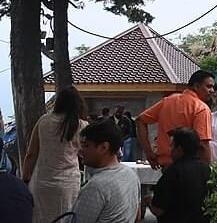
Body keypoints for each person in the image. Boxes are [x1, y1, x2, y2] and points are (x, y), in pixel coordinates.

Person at [21, 86, 89, 223]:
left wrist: (25, 179)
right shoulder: (82, 125)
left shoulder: (44, 121)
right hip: (68, 184)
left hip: (41, 182)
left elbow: (31, 154)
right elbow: (85, 154)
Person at [137, 69, 214, 168]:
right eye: (209, 86)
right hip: (189, 167)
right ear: (196, 86)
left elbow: (140, 120)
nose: (212, 91)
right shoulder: (201, 108)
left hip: (166, 165)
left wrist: (149, 153)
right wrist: (205, 171)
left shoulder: (167, 101)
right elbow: (203, 144)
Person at [73, 120, 140, 223]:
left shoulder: (96, 187)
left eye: (86, 145)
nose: (80, 151)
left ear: (104, 147)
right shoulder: (130, 174)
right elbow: (137, 216)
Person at [147, 127, 210, 223]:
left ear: (179, 150)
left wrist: (148, 201)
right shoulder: (207, 170)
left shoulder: (173, 172)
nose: (170, 150)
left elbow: (158, 210)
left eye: (172, 146)